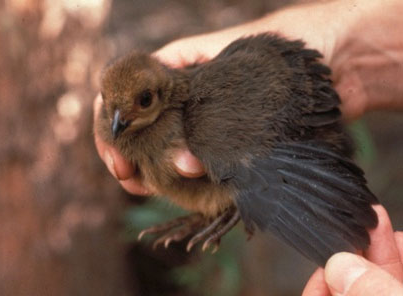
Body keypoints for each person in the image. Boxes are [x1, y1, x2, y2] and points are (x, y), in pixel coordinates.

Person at [94, 0, 403, 294]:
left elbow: (280, 177)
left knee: (245, 173)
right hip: (266, 88)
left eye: (143, 102)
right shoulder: (130, 122)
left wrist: (244, 194)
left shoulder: (204, 127)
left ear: (160, 93)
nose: (118, 121)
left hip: (285, 109)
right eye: (112, 109)